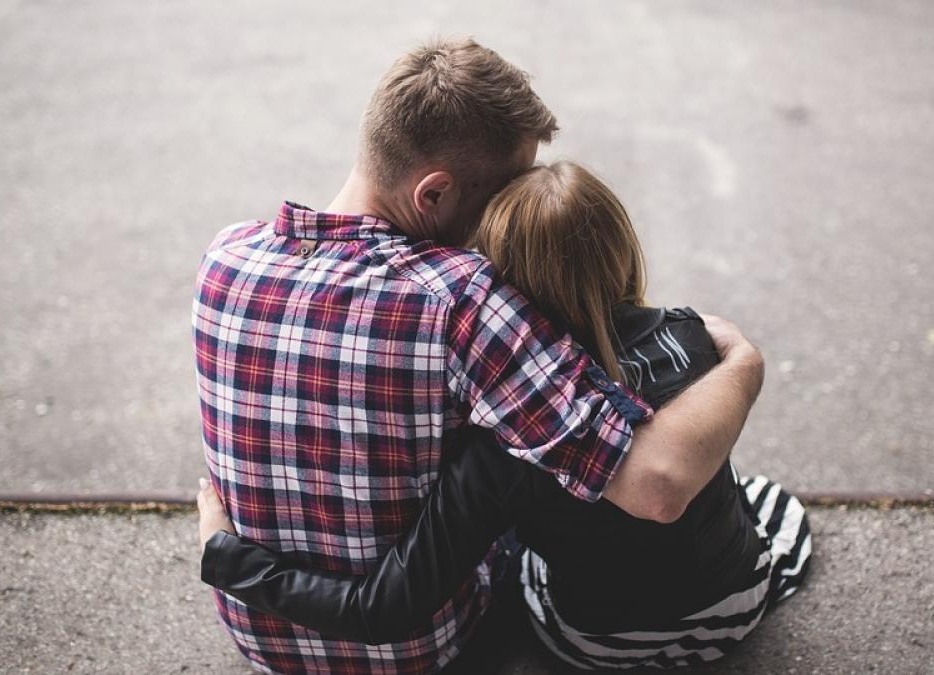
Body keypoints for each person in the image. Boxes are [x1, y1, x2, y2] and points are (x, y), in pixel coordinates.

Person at [193, 37, 764, 673]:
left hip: (259, 635)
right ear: (434, 194)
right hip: (419, 648)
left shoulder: (225, 257)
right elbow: (654, 484)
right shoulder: (462, 298)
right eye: (501, 194)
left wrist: (227, 555)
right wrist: (744, 362)